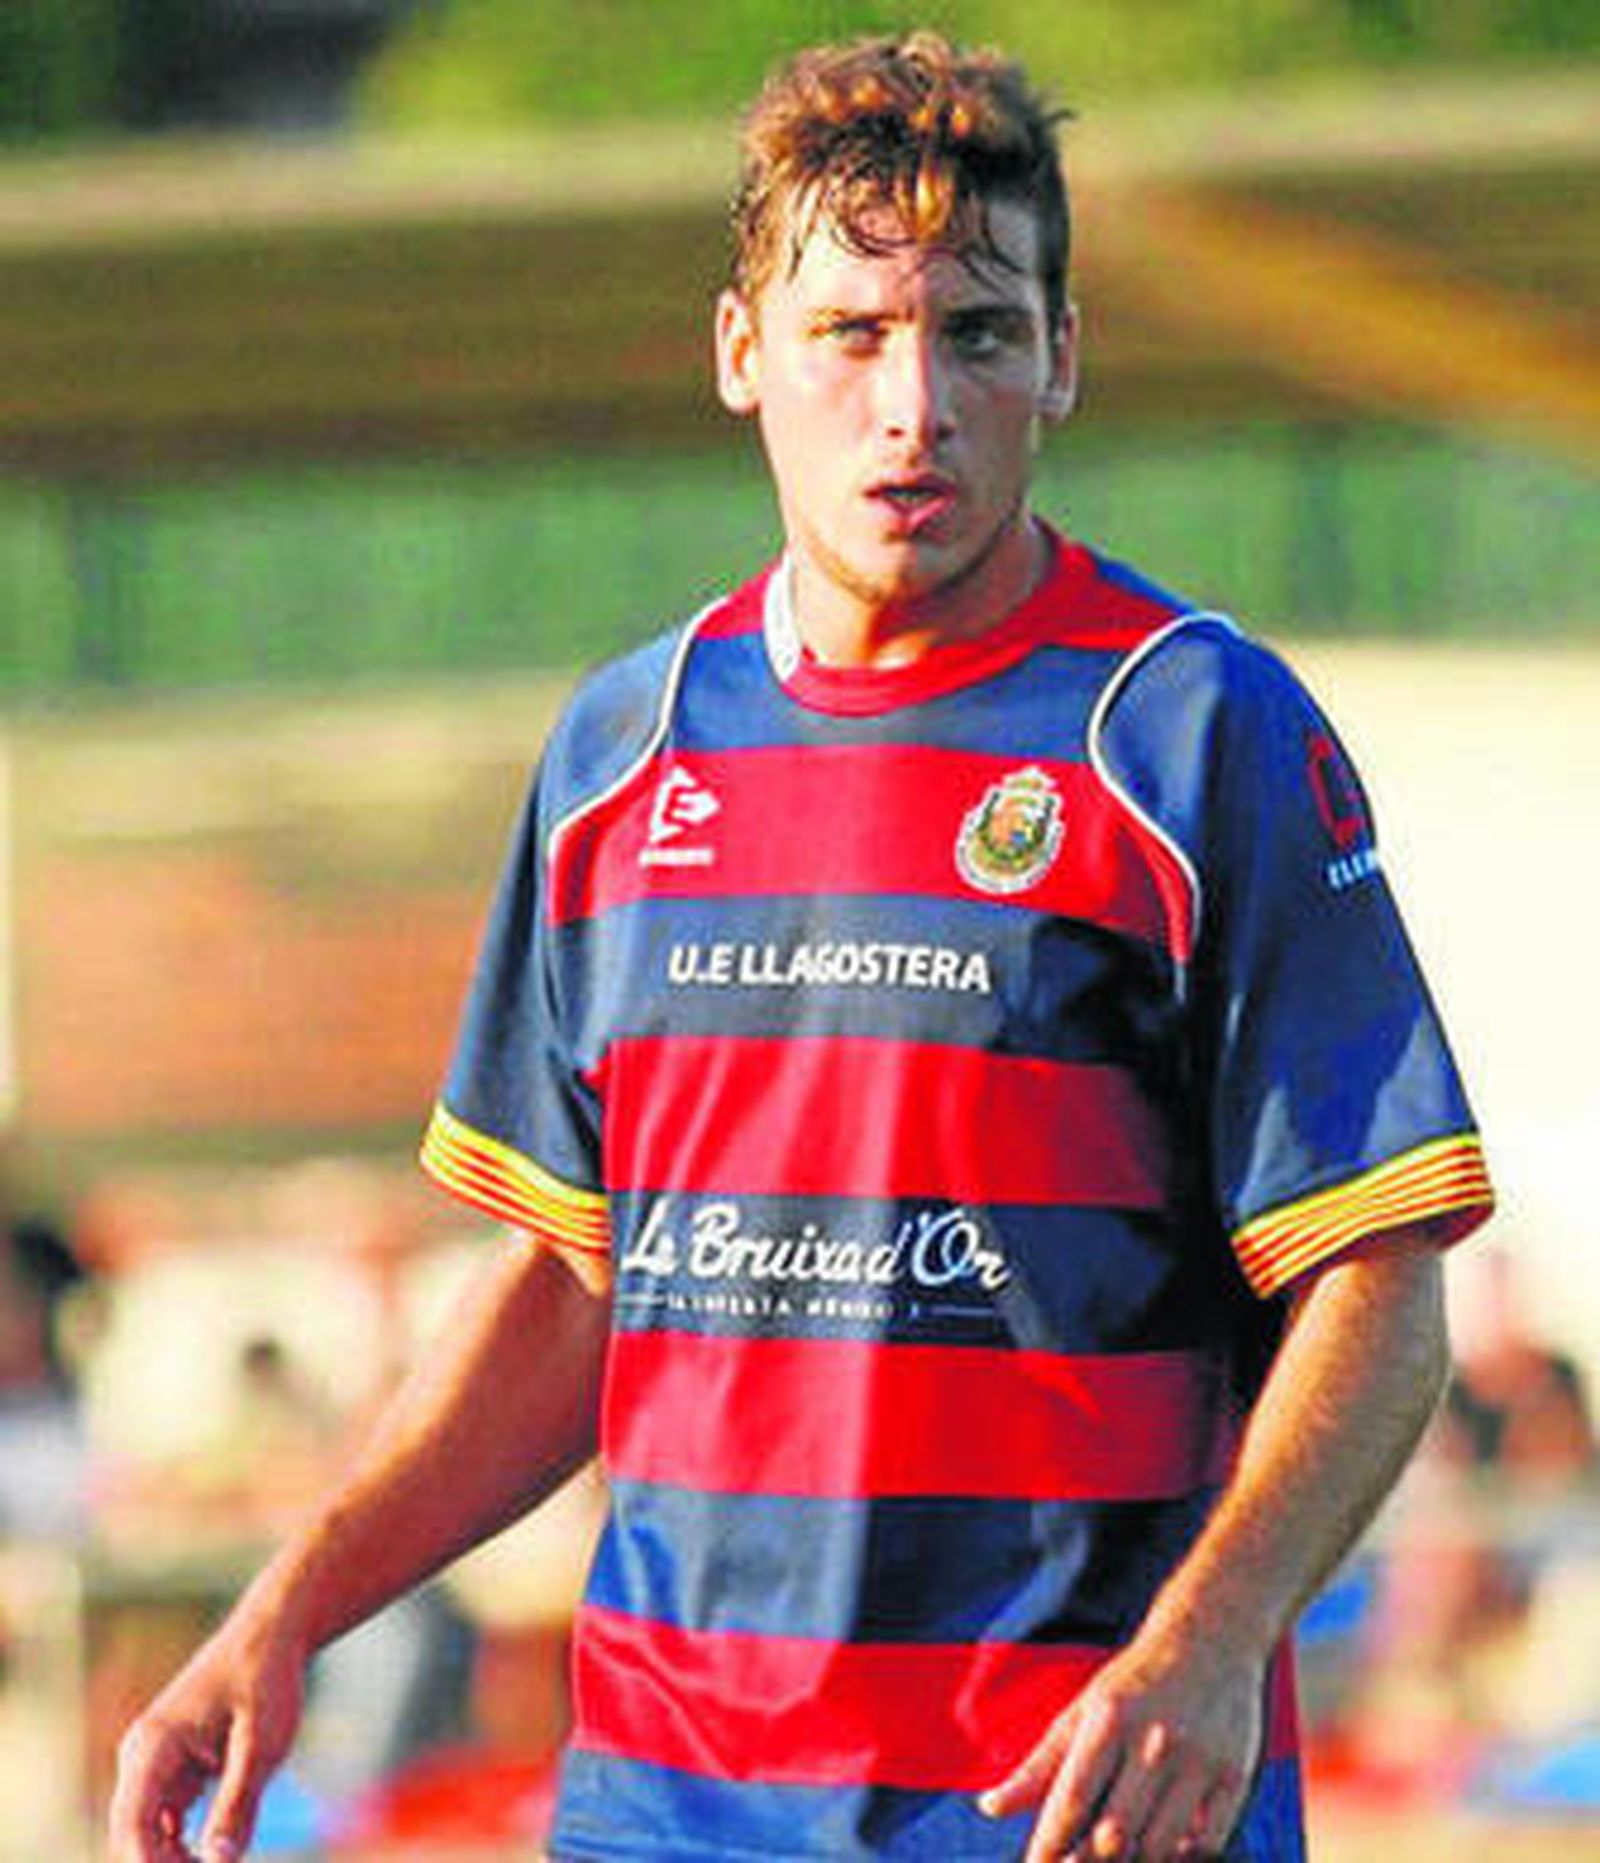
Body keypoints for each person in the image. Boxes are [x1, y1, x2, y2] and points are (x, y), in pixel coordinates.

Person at [111, 30, 1495, 1863]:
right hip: (668, 1806)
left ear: (1062, 362)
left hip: (1070, 1805)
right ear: (741, 352)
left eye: (979, 333)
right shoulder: (626, 753)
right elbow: (574, 1282)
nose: (914, 404)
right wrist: (288, 1610)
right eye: (853, 333)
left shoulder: (1188, 734)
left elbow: (1379, 1280)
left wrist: (1212, 1646)